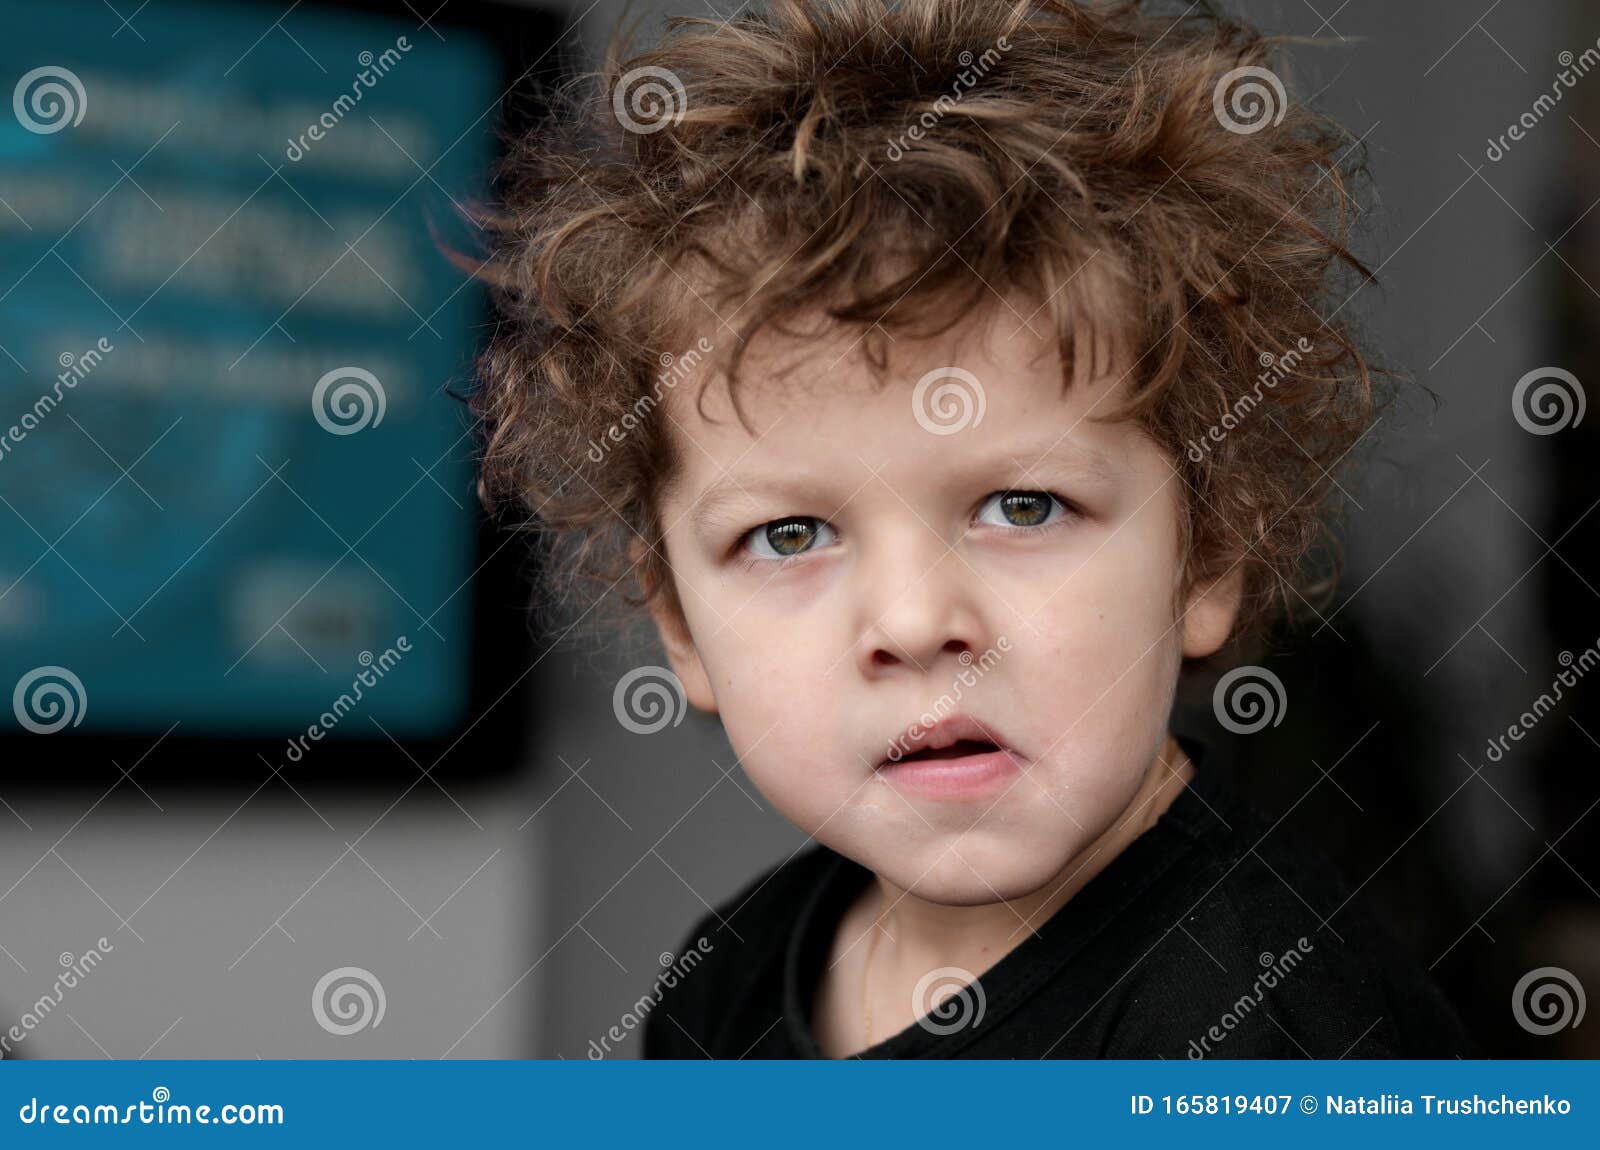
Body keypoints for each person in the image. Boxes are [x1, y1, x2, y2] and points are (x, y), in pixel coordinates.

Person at [468, 0, 1476, 1058]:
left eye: (1022, 507)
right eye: (790, 534)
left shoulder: (1257, 1031)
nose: (912, 622)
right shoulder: (729, 978)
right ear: (679, 626)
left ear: (1206, 553)